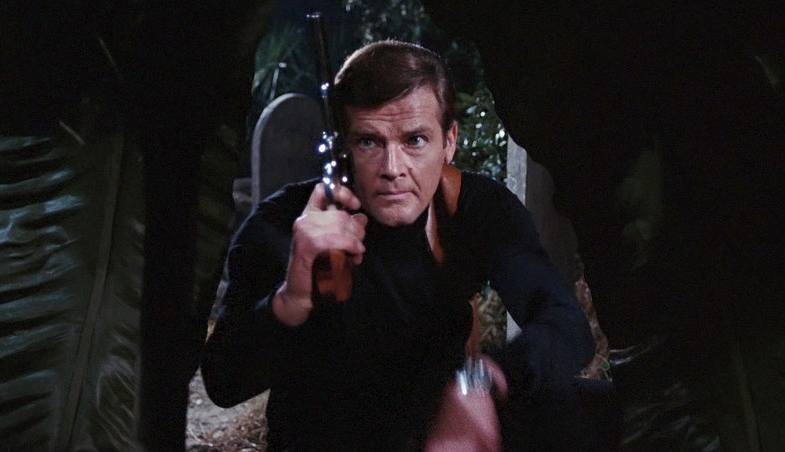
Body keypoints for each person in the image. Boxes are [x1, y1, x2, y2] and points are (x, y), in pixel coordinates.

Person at [202, 40, 600, 451]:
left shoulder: (474, 208)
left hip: (441, 431)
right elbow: (223, 383)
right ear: (343, 148)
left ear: (449, 141)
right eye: (369, 142)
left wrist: (482, 381)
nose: (393, 169)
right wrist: (291, 299)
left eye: (415, 140)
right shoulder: (283, 225)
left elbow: (564, 323)